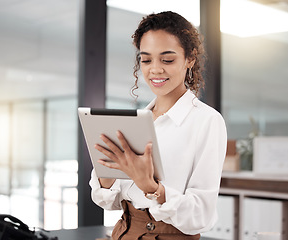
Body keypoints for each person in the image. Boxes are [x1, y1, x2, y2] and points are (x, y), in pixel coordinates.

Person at [89, 11, 227, 240]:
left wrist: (152, 188)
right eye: (146, 59)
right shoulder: (134, 122)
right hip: (123, 232)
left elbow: (201, 215)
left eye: (167, 59)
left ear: (190, 59)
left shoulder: (207, 121)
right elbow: (108, 202)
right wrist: (108, 171)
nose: (155, 69)